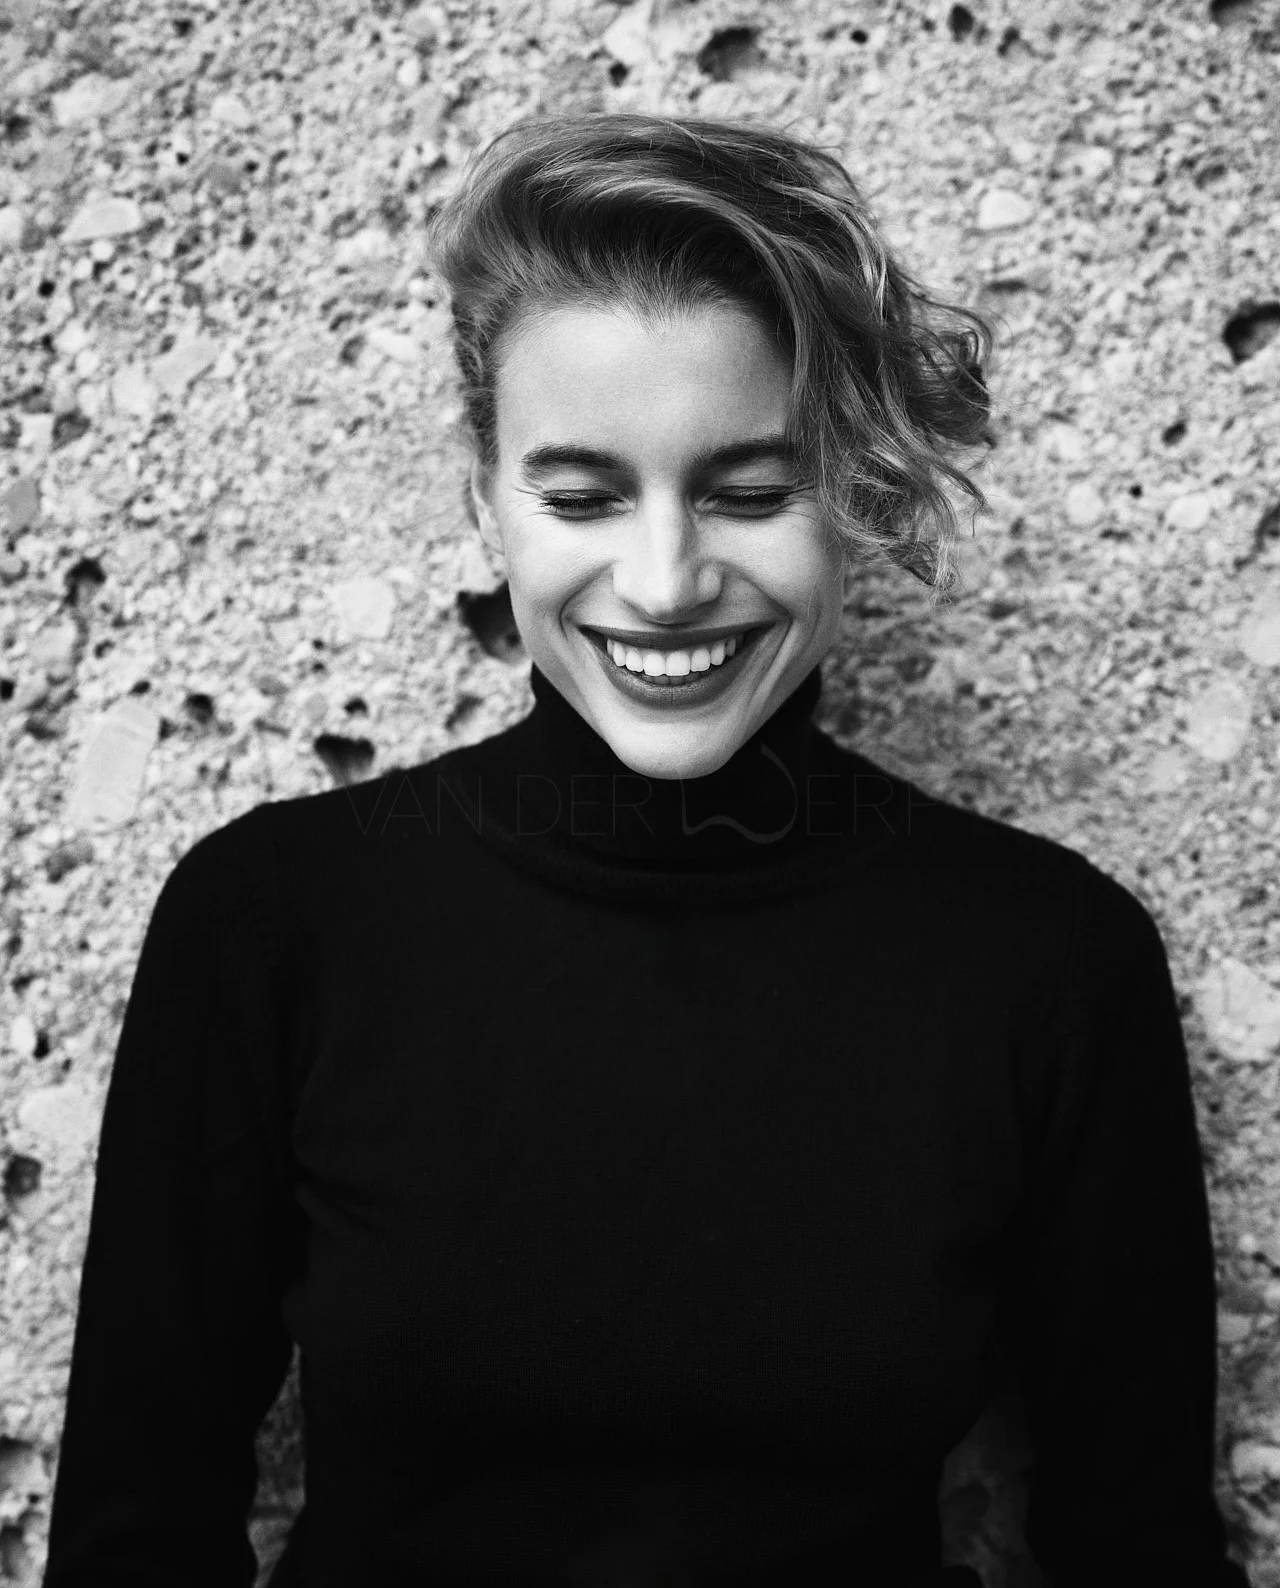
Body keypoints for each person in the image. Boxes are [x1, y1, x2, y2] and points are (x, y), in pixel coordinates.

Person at [41, 112, 1251, 1588]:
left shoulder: (1051, 962)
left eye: (750, 491)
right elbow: (134, 1539)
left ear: (854, 500)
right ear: (486, 504)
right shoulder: (275, 921)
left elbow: (1140, 1552)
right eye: (581, 496)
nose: (667, 582)